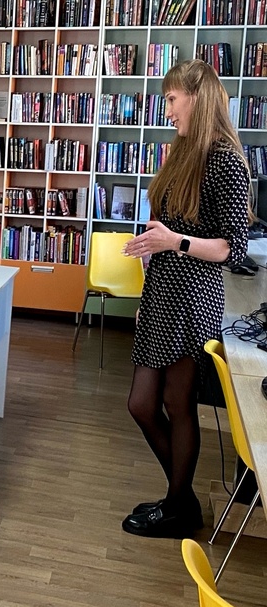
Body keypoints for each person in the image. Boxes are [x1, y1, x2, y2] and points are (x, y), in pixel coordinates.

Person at [121, 60, 252, 539]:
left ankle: (178, 506)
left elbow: (232, 248)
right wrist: (153, 253)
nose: (168, 108)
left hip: (193, 300)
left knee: (178, 404)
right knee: (141, 404)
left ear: (198, 97)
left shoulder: (226, 161)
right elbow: (168, 226)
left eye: (173, 98)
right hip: (163, 293)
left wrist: (173, 241)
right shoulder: (180, 152)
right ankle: (183, 502)